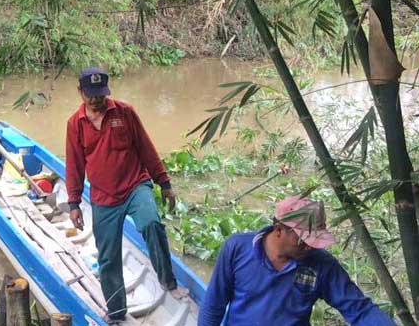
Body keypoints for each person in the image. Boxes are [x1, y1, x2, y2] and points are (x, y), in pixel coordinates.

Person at [65, 67, 179, 323]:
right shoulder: (75, 124)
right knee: (108, 256)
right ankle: (116, 311)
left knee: (151, 223)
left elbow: (146, 147)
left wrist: (164, 182)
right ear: (80, 92)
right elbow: (74, 166)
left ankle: (168, 281)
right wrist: (73, 203)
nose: (96, 100)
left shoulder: (124, 112)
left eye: (101, 95)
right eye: (91, 95)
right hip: (103, 196)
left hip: (135, 185)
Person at [198, 196, 395, 326]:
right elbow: (214, 304)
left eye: (314, 239)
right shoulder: (236, 248)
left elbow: (359, 310)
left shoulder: (321, 265)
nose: (310, 246)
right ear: (278, 230)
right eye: (303, 239)